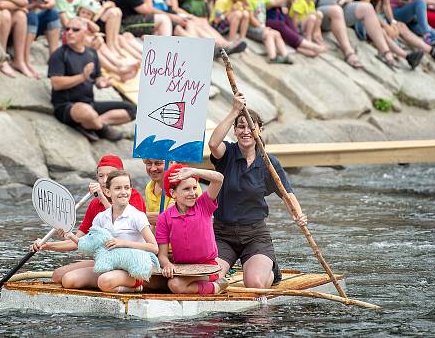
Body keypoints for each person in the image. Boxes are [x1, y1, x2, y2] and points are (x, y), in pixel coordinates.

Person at [208, 91, 306, 289]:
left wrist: (299, 215)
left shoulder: (269, 163)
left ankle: (271, 270)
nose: (246, 131)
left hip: (255, 235)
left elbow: (286, 193)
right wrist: (234, 111)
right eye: (241, 126)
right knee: (209, 279)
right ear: (235, 131)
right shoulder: (227, 154)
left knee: (254, 283)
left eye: (251, 127)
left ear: (259, 130)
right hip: (221, 234)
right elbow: (212, 143)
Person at [34, 158, 149, 291]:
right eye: (101, 176)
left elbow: (117, 215)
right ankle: (102, 281)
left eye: (110, 175)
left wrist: (102, 196)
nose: (105, 180)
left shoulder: (131, 197)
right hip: (106, 260)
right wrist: (47, 245)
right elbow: (79, 242)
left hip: (131, 264)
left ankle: (125, 285)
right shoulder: (95, 204)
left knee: (103, 281)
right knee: (59, 276)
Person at [48, 16, 135, 141]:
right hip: (67, 106)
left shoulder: (91, 53)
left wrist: (102, 83)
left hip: (89, 103)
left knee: (132, 109)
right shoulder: (59, 54)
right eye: (67, 29)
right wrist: (82, 77)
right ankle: (101, 128)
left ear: (85, 32)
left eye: (75, 29)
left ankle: (91, 124)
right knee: (86, 111)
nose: (69, 32)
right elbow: (56, 84)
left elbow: (97, 77)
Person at [156, 164, 228, 295]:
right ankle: (208, 286)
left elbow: (219, 178)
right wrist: (167, 265)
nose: (193, 193)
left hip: (208, 267)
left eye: (194, 187)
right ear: (173, 193)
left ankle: (215, 287)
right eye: (186, 189)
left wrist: (193, 171)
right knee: (155, 282)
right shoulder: (164, 218)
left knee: (175, 285)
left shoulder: (204, 205)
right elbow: (162, 255)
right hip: (182, 268)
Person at [5, 0, 61, 77]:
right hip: (12, 27)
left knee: (52, 14)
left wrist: (48, 4)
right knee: (30, 16)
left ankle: (54, 60)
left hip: (27, 26)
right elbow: (9, 6)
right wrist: (34, 5)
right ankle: (23, 61)